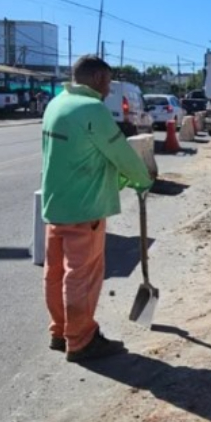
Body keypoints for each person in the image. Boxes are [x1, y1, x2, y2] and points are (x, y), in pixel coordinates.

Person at [40, 55, 154, 362]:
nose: (109, 90)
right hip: (84, 208)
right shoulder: (93, 110)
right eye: (108, 82)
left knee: (55, 273)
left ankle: (60, 332)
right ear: (100, 79)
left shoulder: (56, 103)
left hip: (55, 204)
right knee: (82, 276)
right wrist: (143, 180)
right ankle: (81, 342)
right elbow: (122, 154)